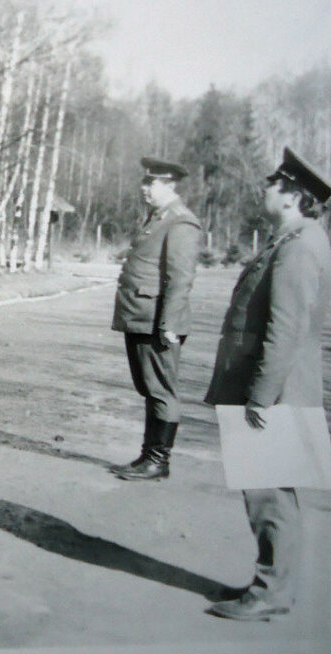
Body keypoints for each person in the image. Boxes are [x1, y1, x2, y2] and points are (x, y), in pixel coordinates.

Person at [205, 148, 331, 621]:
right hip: (280, 388)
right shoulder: (300, 240)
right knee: (274, 492)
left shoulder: (299, 247)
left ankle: (271, 591)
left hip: (273, 391)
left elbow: (285, 330)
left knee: (268, 494)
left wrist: (259, 397)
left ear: (295, 196)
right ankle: (274, 584)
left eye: (273, 182)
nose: (265, 187)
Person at [110, 157, 202, 480]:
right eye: (145, 182)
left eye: (152, 183)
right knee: (150, 388)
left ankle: (158, 460)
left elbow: (180, 279)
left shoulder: (180, 222)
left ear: (170, 185)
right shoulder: (158, 217)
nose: (144, 188)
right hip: (141, 317)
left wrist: (170, 325)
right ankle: (148, 456)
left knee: (162, 389)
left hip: (157, 321)